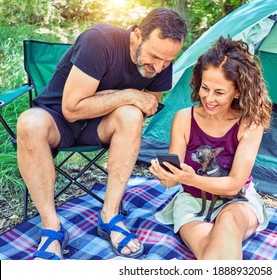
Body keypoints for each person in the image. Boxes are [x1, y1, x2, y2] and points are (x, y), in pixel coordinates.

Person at [16, 8, 187, 260]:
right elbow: (72, 109)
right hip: (57, 120)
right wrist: (128, 95)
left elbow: (148, 105)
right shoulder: (100, 40)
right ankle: (51, 227)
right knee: (29, 122)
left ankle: (110, 216)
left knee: (132, 115)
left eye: (168, 61)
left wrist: (106, 98)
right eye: (155, 57)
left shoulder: (161, 63)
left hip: (101, 126)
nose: (160, 67)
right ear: (137, 35)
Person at [149, 36, 272, 260]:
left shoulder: (249, 124)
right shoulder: (184, 119)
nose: (209, 98)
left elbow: (234, 185)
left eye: (219, 92)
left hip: (238, 200)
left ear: (237, 91)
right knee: (209, 250)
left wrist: (192, 178)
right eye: (205, 88)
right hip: (193, 201)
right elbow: (171, 181)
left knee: (228, 223)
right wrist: (163, 175)